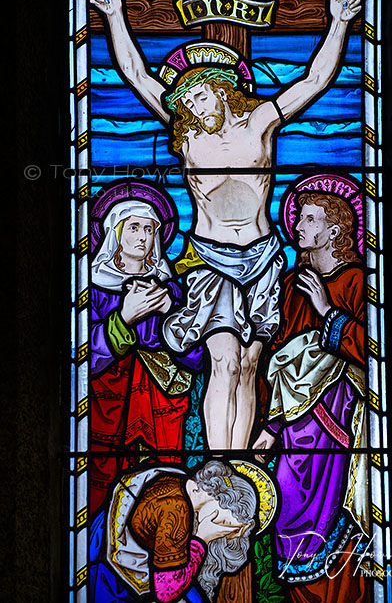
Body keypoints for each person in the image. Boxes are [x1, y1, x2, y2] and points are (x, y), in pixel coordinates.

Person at [90, 0, 361, 450]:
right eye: (186, 104)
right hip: (210, 257)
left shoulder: (261, 121)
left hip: (263, 255)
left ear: (222, 91)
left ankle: (237, 464)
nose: (192, 109)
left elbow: (315, 81)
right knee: (224, 360)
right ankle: (218, 462)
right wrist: (115, 15)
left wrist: (338, 22)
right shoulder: (188, 136)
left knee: (253, 363)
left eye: (199, 98)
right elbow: (135, 74)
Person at [253, 191, 370, 602]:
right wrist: (269, 426)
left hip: (338, 434)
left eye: (308, 219)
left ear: (333, 231)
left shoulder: (358, 282)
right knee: (285, 508)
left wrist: (327, 311)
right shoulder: (291, 286)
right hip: (292, 431)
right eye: (298, 218)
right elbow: (277, 361)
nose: (297, 227)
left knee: (337, 523)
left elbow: (372, 351)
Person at [91, 199, 202, 514]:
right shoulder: (95, 289)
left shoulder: (174, 292)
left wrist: (172, 315)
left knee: (164, 493)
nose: (142, 236)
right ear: (116, 232)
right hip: (110, 408)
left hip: (165, 409)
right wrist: (124, 318)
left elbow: (198, 360)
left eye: (150, 229)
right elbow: (86, 360)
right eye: (134, 227)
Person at [90, 460, 258, 603]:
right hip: (115, 581)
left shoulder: (177, 481)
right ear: (216, 497)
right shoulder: (176, 510)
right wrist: (203, 537)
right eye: (223, 522)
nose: (222, 531)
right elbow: (165, 591)